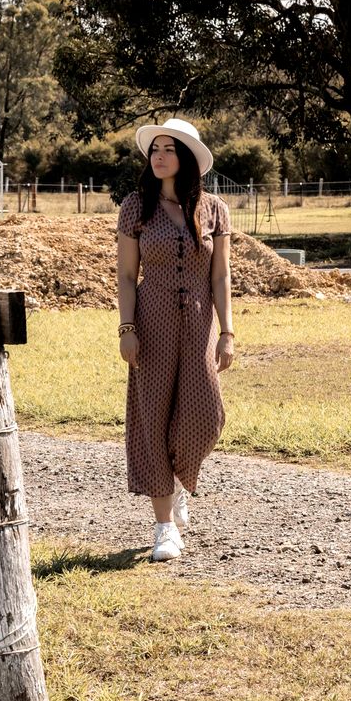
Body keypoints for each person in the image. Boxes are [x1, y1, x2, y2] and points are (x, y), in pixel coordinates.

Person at [116, 118, 234, 561]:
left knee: (206, 414)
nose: (159, 155)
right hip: (150, 321)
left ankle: (179, 478)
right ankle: (164, 526)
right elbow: (127, 276)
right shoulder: (135, 207)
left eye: (169, 148)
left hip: (202, 323)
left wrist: (227, 332)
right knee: (152, 417)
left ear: (186, 158)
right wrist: (127, 329)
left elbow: (221, 275)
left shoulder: (215, 210)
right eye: (155, 149)